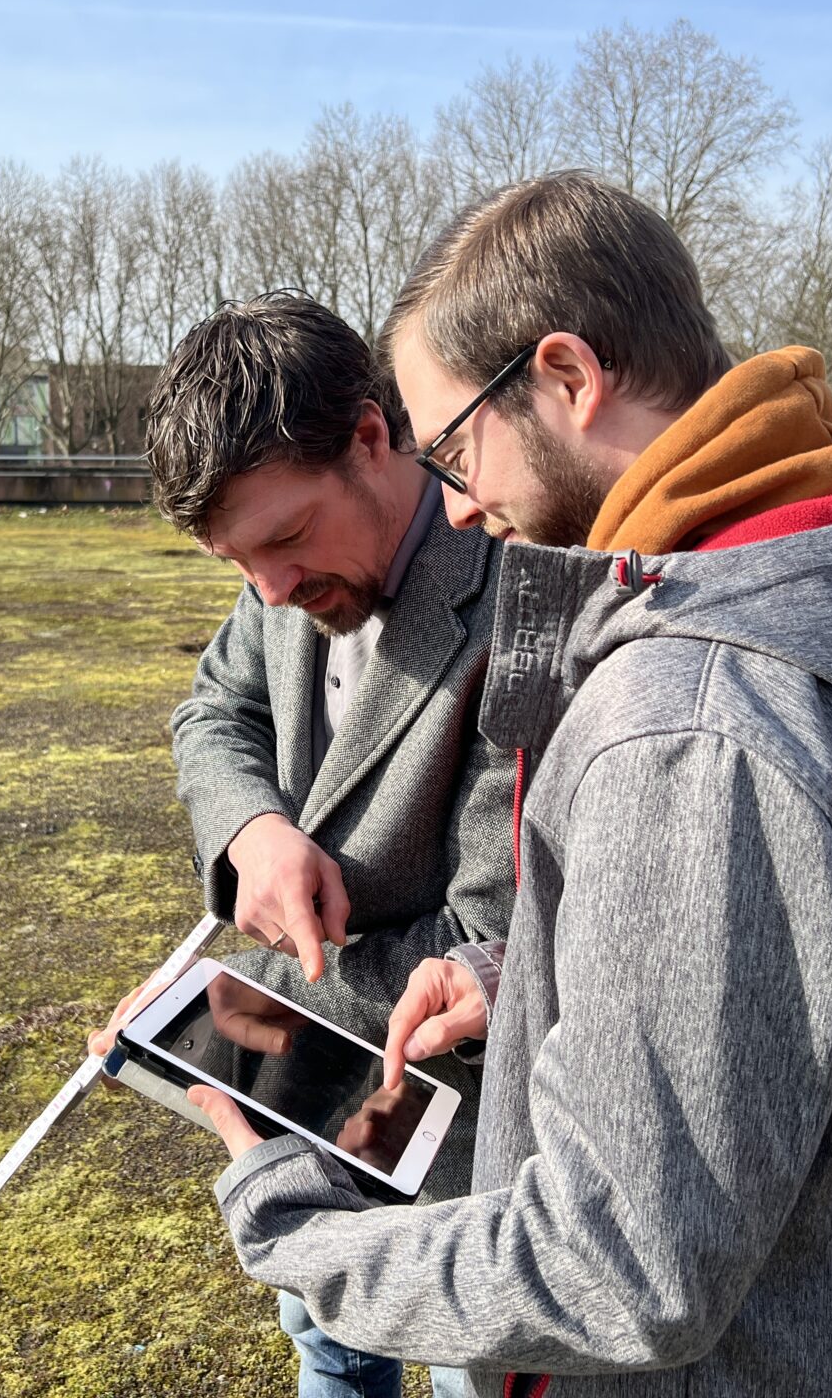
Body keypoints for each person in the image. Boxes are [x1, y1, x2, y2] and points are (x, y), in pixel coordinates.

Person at [186, 172, 832, 1398]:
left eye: (453, 447)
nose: (457, 501)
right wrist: (520, 971)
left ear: (567, 376)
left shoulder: (697, 721)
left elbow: (617, 1267)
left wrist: (292, 1224)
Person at [90, 291, 517, 1398]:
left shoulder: (519, 594)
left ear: (375, 436)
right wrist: (252, 829)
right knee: (327, 1342)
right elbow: (213, 713)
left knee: (473, 1374)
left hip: (473, 1149)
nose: (272, 591)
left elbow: (495, 940)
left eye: (285, 540)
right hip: (314, 1109)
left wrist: (240, 998)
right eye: (238, 566)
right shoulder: (279, 575)